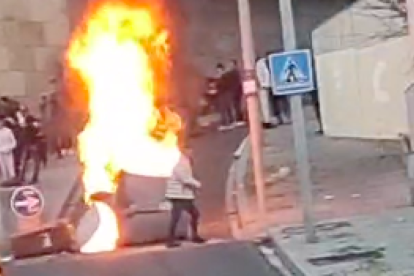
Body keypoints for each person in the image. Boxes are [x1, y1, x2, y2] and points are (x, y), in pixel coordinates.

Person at [165, 147, 205, 248]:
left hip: (182, 194)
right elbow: (185, 179)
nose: (192, 153)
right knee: (178, 217)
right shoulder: (180, 163)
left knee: (193, 214)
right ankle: (171, 240)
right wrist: (198, 184)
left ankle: (193, 236)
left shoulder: (185, 162)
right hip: (178, 195)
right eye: (190, 150)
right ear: (185, 151)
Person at [216, 63, 236, 130]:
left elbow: (225, 85)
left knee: (225, 109)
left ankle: (226, 123)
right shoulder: (221, 76)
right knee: (225, 109)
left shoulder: (225, 76)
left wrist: (218, 86)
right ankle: (229, 122)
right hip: (222, 94)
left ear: (222, 69)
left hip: (225, 94)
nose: (218, 71)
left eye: (219, 70)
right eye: (217, 70)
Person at [227, 60, 245, 125]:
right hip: (236, 91)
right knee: (236, 106)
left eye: (231, 64)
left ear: (234, 65)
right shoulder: (236, 72)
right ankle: (239, 119)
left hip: (235, 92)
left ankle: (239, 119)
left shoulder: (234, 72)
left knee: (237, 106)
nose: (230, 66)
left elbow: (235, 83)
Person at [0, 118, 17, 182]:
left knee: (10, 166)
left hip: (8, 152)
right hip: (1, 152)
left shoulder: (8, 131)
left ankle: (12, 180)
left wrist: (9, 148)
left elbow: (14, 142)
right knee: (3, 167)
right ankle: (5, 180)